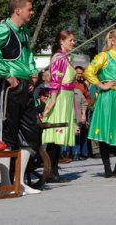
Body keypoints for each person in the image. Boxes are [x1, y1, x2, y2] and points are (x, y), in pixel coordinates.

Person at [0, 0, 42, 195]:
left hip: (25, 86)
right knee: (6, 135)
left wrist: (33, 73)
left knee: (29, 134)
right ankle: (4, 184)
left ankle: (18, 182)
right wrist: (5, 74)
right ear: (18, 10)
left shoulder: (25, 32)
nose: (32, 12)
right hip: (9, 88)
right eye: (29, 8)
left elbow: (28, 56)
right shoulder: (3, 29)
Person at [84, 29, 116, 178]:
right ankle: (107, 168)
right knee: (105, 131)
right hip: (108, 98)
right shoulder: (104, 56)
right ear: (112, 41)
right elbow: (89, 71)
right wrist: (101, 85)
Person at [41, 29, 78, 183]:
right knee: (54, 136)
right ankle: (51, 172)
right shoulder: (59, 57)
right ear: (61, 41)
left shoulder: (66, 58)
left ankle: (54, 170)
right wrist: (54, 100)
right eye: (70, 40)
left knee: (57, 137)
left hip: (67, 98)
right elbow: (55, 80)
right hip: (60, 98)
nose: (73, 43)